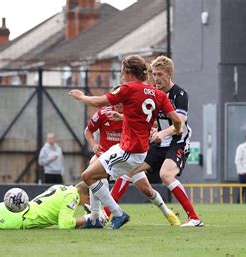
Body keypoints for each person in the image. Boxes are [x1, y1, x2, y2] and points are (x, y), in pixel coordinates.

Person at [68, 55, 182, 229]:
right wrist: (174, 129)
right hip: (138, 151)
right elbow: (176, 119)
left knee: (88, 176)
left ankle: (116, 214)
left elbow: (99, 101)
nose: (121, 77)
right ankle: (95, 218)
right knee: (94, 174)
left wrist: (81, 97)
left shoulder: (127, 88)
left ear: (129, 73)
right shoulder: (158, 94)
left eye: (122, 73)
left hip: (128, 151)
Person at [125, 55, 203, 227]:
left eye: (160, 74)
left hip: (178, 141)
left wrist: (162, 133)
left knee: (165, 175)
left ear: (169, 74)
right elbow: (151, 119)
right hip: (161, 142)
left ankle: (194, 218)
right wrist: (151, 128)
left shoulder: (180, 95)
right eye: (153, 74)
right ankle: (108, 214)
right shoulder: (154, 94)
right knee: (128, 171)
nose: (156, 78)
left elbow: (179, 123)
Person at [84, 89, 180, 226]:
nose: (117, 104)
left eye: (120, 101)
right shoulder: (103, 114)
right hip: (110, 156)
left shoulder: (134, 113)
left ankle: (167, 212)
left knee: (147, 190)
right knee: (93, 170)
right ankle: (96, 215)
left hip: (129, 157)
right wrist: (94, 145)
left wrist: (153, 131)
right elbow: (88, 130)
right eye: (115, 101)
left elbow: (154, 123)